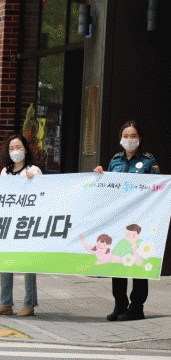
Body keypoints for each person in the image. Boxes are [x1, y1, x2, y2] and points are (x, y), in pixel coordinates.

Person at [94, 120, 160, 322]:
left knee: (138, 262)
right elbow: (109, 187)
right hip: (118, 219)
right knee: (118, 260)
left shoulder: (149, 161)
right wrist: (100, 175)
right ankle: (119, 305)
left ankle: (137, 307)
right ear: (120, 138)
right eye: (126, 136)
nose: (129, 139)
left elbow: (158, 189)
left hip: (140, 220)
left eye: (133, 136)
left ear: (140, 138)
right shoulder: (115, 160)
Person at [0, 134, 41, 317]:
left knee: (28, 264)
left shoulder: (34, 170)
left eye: (18, 147)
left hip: (27, 223)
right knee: (6, 262)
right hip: (8, 223)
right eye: (12, 148)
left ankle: (29, 304)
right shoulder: (5, 172)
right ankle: (5, 302)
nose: (15, 151)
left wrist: (34, 181)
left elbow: (42, 194)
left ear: (26, 149)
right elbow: (0, 193)